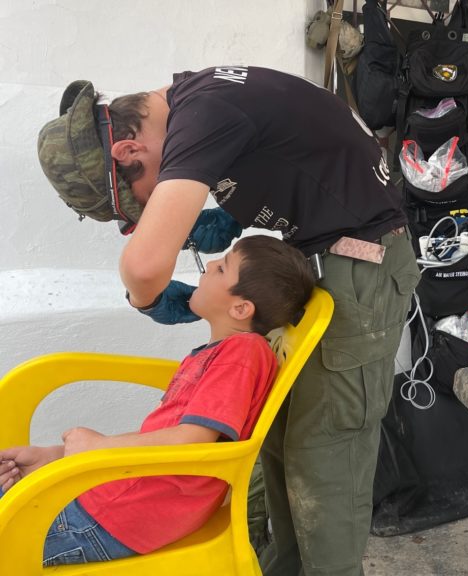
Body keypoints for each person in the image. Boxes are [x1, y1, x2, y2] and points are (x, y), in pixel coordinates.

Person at [35, 66, 421, 576]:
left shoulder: (203, 113)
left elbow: (144, 267)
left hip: (358, 271)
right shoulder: (206, 101)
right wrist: (223, 225)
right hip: (333, 266)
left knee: (325, 457)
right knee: (285, 447)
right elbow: (290, 163)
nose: (155, 206)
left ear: (127, 153)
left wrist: (152, 300)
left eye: (144, 202)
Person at [0, 235, 315, 567]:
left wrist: (97, 449)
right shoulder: (221, 355)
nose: (209, 265)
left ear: (240, 308)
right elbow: (165, 438)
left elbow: (192, 440)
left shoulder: (242, 354)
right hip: (111, 503)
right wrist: (57, 458)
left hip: (114, 519)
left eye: (222, 268)